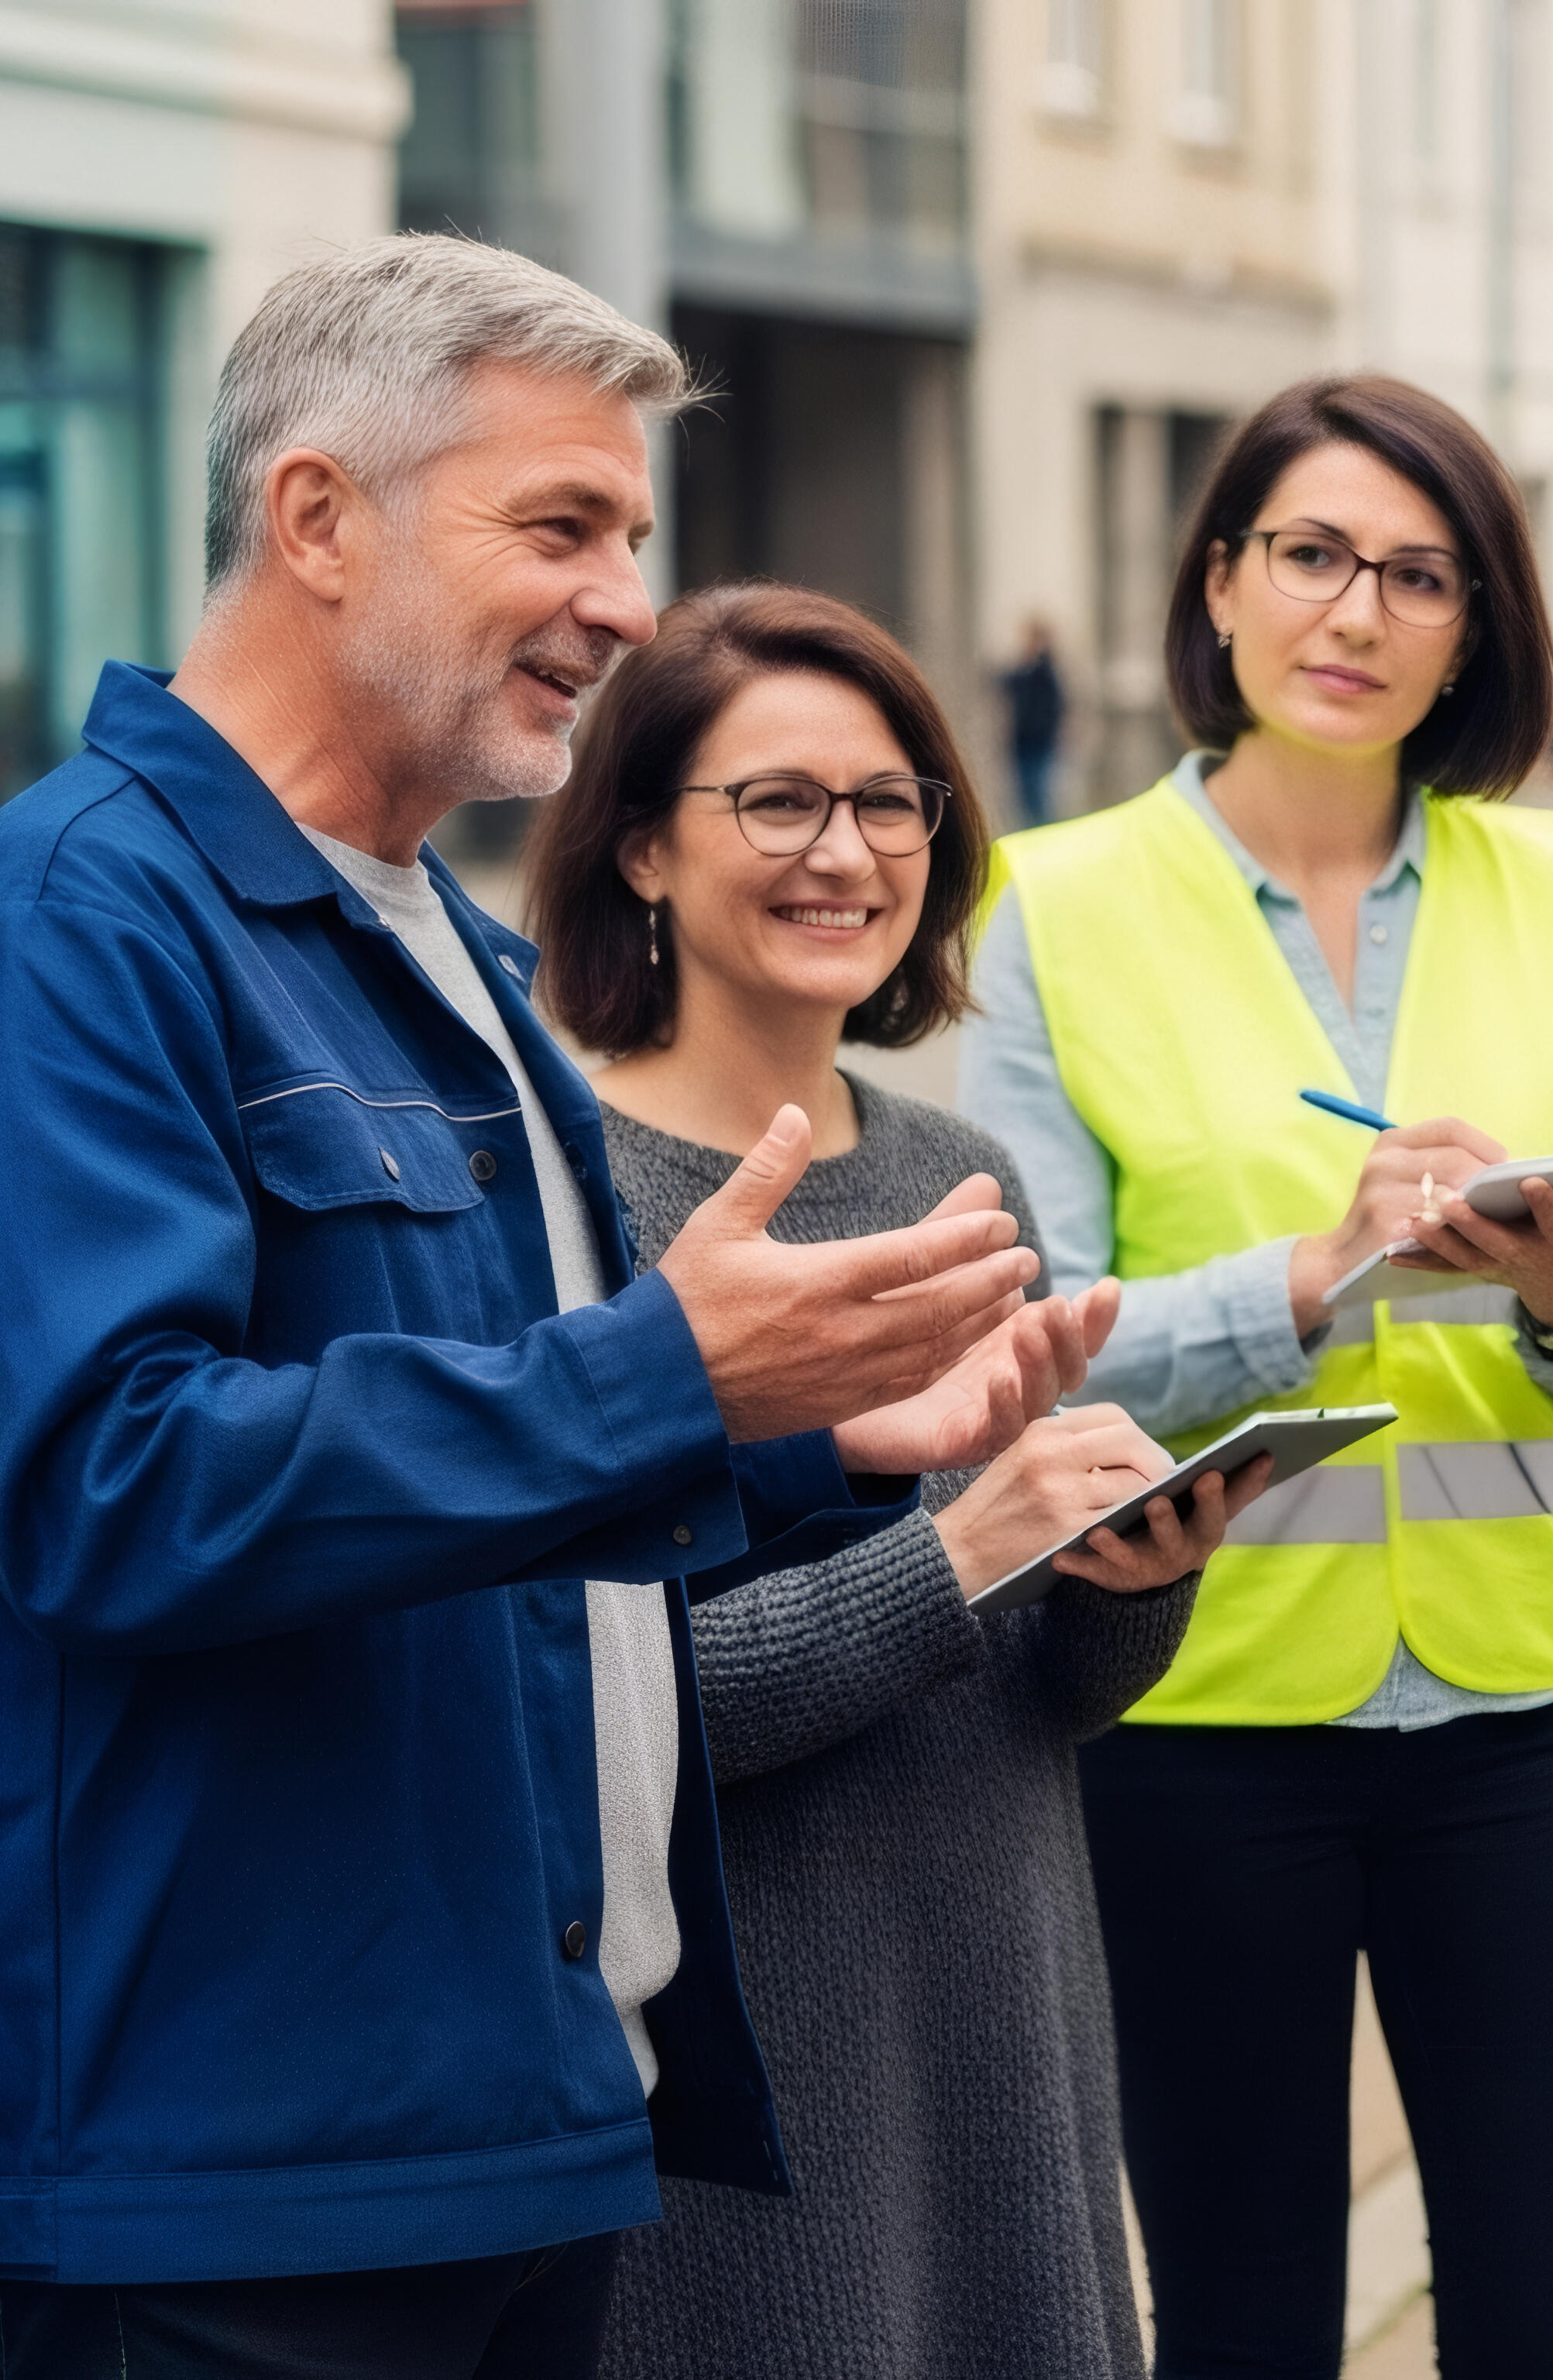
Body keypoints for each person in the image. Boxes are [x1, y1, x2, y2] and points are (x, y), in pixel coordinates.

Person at [0, 236, 1094, 2378]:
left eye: (634, 538)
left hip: (500, 2108)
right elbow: (112, 1490)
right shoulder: (61, 935)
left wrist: (807, 1429)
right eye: (561, 526)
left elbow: (496, 1439)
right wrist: (668, 1374)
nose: (622, 603)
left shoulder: (445, 952)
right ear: (319, 519)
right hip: (225, 2163)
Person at [957, 375, 1553, 2376]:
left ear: (1476, 624)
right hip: (1191, 1716)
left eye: (1420, 573)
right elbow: (1036, 1346)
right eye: (1313, 554)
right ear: (1222, 581)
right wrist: (1308, 1275)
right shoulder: (1055, 899)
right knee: (1245, 2319)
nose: (1357, 611)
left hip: (1531, 1711)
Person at [517, 580, 1248, 2378]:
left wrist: (1127, 1577)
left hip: (996, 1983)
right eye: (775, 799)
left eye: (889, 797)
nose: (844, 848)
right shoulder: (561, 1191)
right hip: (745, 2048)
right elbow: (602, 1707)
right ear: (637, 849)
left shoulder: (953, 1164)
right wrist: (965, 1553)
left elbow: (1030, 1691)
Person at [1000, 617, 1069, 827]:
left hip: (1040, 741)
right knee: (1024, 793)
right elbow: (1006, 683)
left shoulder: (1046, 671)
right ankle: (1030, 829)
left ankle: (1040, 830)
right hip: (1021, 740)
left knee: (1038, 791)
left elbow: (1057, 705)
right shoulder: (1024, 670)